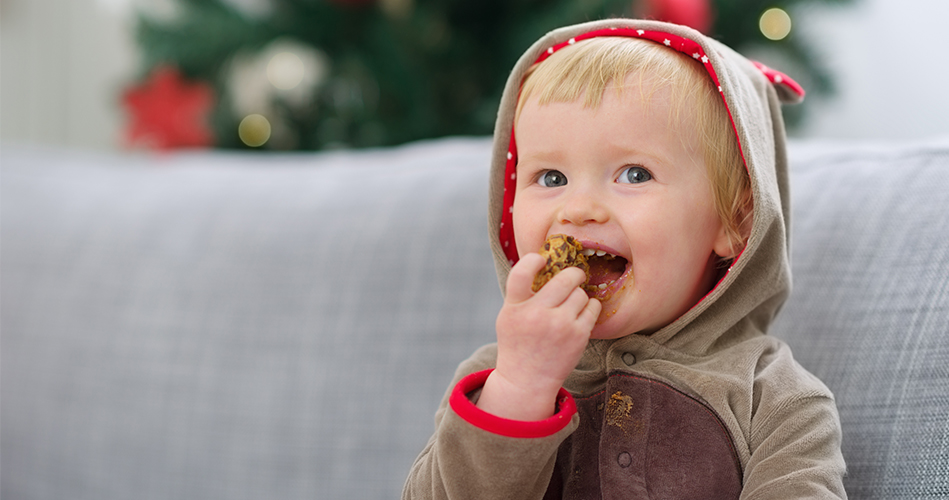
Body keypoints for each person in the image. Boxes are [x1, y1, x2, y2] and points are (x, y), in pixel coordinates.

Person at [404, 18, 846, 499]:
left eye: (634, 174)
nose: (578, 209)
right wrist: (519, 389)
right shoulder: (495, 377)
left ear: (734, 221)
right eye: (551, 178)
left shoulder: (774, 399)